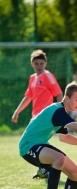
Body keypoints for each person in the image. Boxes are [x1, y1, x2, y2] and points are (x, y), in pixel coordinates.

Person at [12, 49, 63, 179]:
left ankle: (47, 166)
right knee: (36, 142)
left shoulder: (48, 76)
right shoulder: (32, 78)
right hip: (36, 116)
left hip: (46, 117)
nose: (39, 66)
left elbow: (58, 93)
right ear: (32, 64)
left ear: (45, 63)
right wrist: (17, 111)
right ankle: (46, 167)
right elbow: (28, 97)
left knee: (32, 142)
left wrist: (61, 112)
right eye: (36, 63)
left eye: (41, 63)